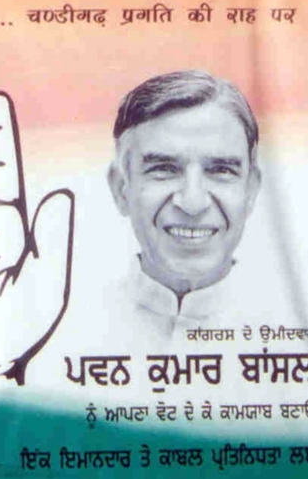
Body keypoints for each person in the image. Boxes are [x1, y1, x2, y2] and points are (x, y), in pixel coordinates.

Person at [106, 71, 262, 340]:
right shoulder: (60, 335)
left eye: (221, 170)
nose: (193, 204)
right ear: (121, 188)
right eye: (164, 169)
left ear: (251, 190)